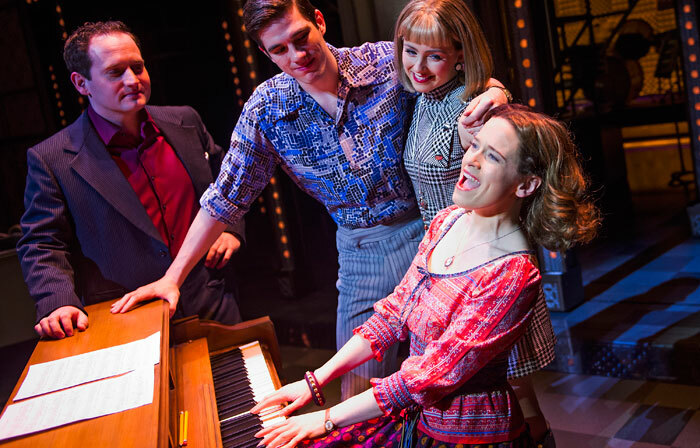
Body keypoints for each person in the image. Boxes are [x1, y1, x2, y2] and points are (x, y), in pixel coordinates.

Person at [111, 0, 509, 399]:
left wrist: (494, 89)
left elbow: (454, 78)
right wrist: (172, 278)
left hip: (430, 235)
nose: (297, 56)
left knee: (454, 384)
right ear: (265, 53)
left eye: (301, 38)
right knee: (355, 394)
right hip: (361, 253)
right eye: (279, 49)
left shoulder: (386, 62)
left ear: (318, 22)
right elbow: (224, 198)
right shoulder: (268, 109)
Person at [250, 104, 600, 448]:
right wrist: (315, 381)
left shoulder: (512, 274)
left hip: (468, 440)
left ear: (526, 185)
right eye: (474, 144)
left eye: (492, 156)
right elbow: (392, 316)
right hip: (419, 416)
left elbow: (428, 376)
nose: (471, 160)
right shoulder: (448, 220)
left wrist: (326, 418)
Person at [394, 1, 557, 448]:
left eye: (435, 56)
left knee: (513, 393)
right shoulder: (424, 98)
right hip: (445, 256)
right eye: (410, 52)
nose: (418, 67)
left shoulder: (471, 105)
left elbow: (504, 156)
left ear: (461, 53)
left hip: (482, 264)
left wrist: (494, 93)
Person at [17, 21, 245, 340]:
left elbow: (232, 185)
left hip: (212, 302)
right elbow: (42, 241)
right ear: (81, 83)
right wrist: (56, 302)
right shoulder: (52, 157)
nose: (132, 80)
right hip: (126, 317)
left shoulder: (185, 121)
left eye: (137, 67)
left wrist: (231, 229)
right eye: (115, 72)